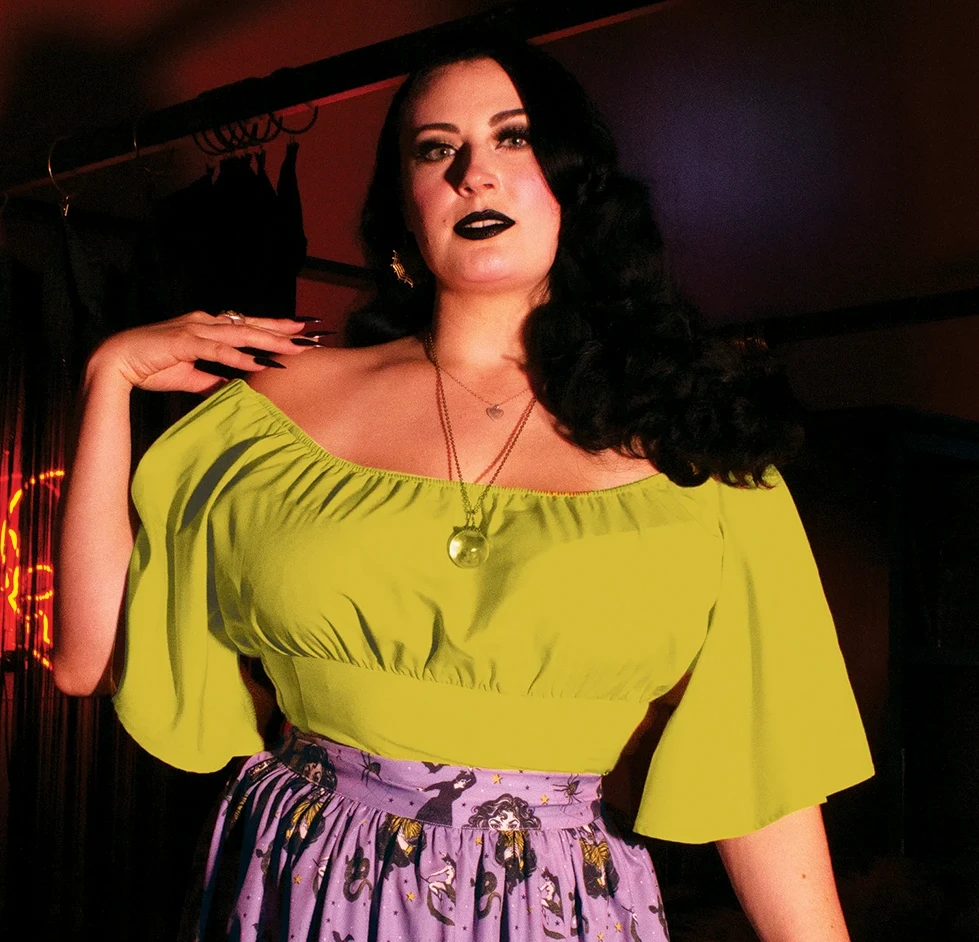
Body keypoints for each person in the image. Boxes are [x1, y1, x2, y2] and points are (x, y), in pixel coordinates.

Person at [54, 38, 874, 942]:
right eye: (435, 148)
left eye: (513, 138)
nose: (473, 173)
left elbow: (762, 778)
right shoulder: (273, 414)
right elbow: (89, 658)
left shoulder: (697, 446)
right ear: (403, 208)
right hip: (304, 886)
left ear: (575, 184)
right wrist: (109, 375)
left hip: (556, 906)